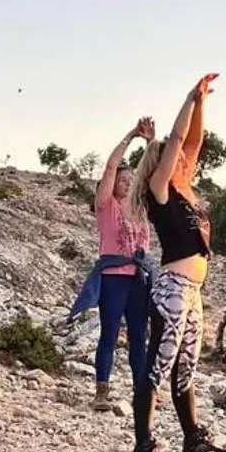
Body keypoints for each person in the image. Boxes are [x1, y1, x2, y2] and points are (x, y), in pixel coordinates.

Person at [126, 76, 226, 452]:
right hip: (172, 290)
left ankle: (192, 439)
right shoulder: (161, 190)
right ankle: (142, 449)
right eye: (177, 160)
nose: (188, 160)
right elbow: (176, 141)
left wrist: (202, 104)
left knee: (186, 365)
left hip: (193, 292)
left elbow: (193, 143)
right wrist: (188, 99)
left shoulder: (186, 192)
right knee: (158, 366)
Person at [67, 118, 156, 411]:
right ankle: (101, 392)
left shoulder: (140, 208)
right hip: (114, 278)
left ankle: (141, 392)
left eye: (131, 180)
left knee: (138, 337)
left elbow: (154, 175)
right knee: (109, 334)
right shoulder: (107, 206)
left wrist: (151, 144)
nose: (127, 183)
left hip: (139, 279)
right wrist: (131, 136)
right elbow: (109, 166)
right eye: (122, 180)